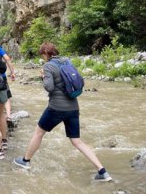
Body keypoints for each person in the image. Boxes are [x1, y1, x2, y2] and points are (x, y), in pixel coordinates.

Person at [14, 42, 112, 182]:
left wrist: (43, 76)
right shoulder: (67, 61)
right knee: (77, 141)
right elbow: (79, 81)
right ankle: (102, 171)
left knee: (39, 132)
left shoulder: (48, 66)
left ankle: (25, 161)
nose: (42, 58)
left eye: (42, 54)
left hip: (56, 108)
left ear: (46, 53)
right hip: (73, 107)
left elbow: (49, 87)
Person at [0, 41, 16, 122]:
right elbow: (7, 59)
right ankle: (8, 116)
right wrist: (12, 72)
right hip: (1, 76)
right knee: (6, 96)